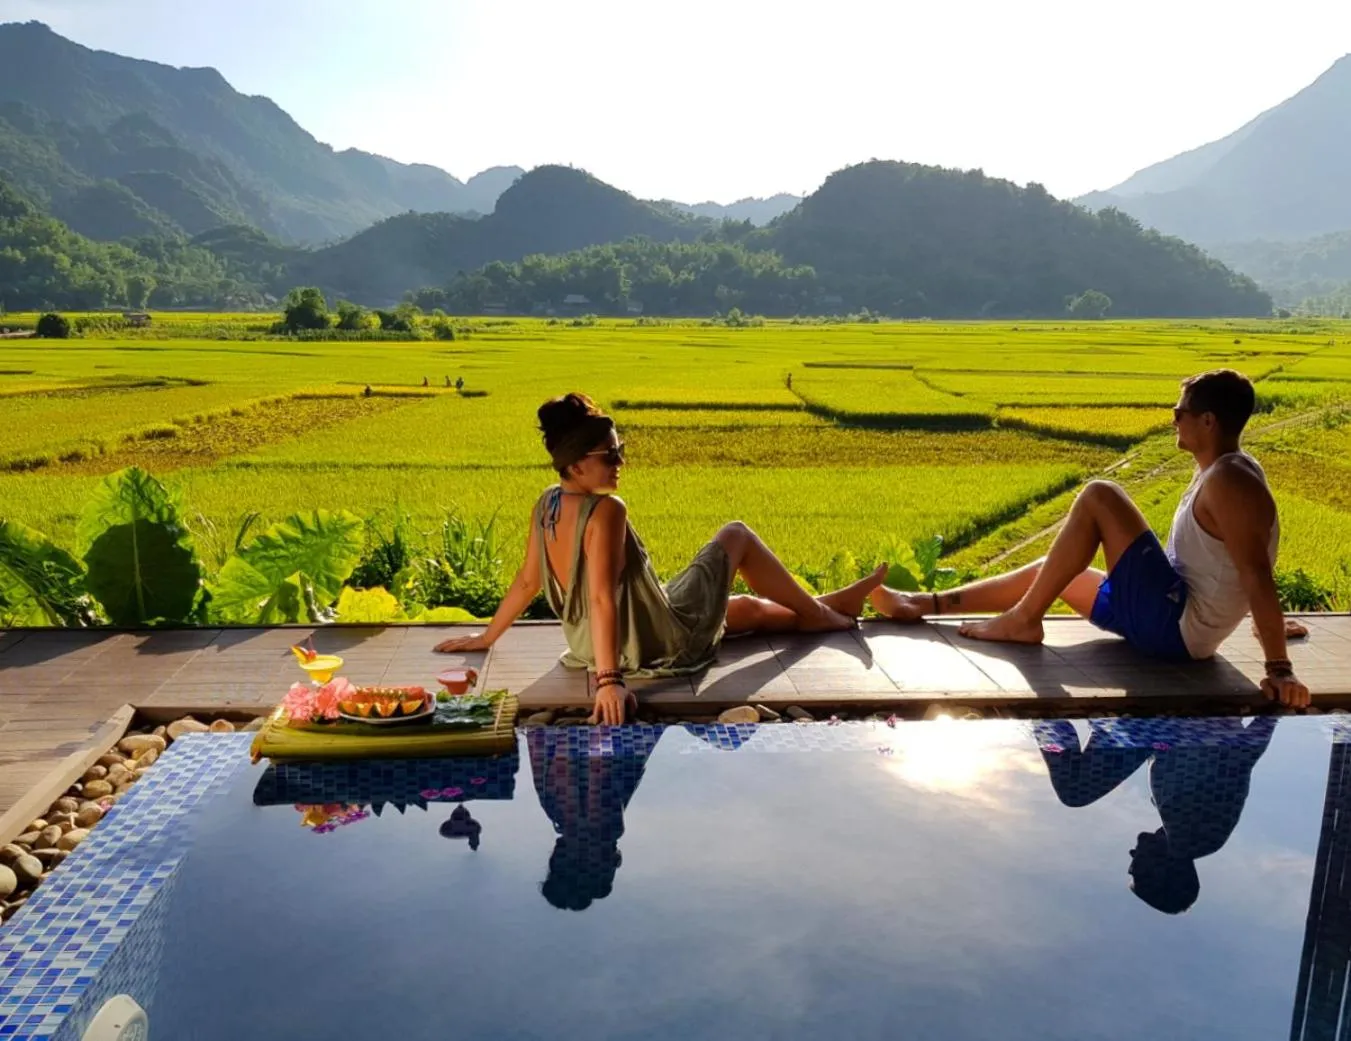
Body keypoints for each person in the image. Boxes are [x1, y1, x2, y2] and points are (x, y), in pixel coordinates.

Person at [434, 392, 886, 723]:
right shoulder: (606, 510)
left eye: (620, 451)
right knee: (736, 534)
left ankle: (830, 608)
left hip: (593, 643)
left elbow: (526, 581)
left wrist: (487, 637)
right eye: (609, 455)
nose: (620, 463)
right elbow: (601, 597)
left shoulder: (547, 503)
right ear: (575, 465)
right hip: (650, 643)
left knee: (743, 610)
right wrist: (609, 681)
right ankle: (822, 614)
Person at [870, 369, 1310, 707]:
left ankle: (1023, 621)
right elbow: (1228, 568)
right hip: (1170, 620)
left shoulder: (1231, 481)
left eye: (1180, 413)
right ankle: (923, 604)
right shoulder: (1223, 471)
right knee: (1054, 572)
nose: (1173, 420)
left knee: (1101, 495)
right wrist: (1264, 622)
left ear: (1208, 421)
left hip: (1176, 630)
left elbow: (1255, 572)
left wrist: (1279, 667)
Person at [1031, 716, 1276, 914]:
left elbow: (1241, 763)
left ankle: (1046, 715)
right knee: (1074, 791)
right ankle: (1043, 713)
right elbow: (1238, 762)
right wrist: (1271, 711)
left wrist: (1269, 717)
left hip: (1172, 730)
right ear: (1158, 873)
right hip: (1172, 724)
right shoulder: (1194, 836)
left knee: (1081, 784)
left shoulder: (1193, 833)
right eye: (1136, 870)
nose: (1132, 855)